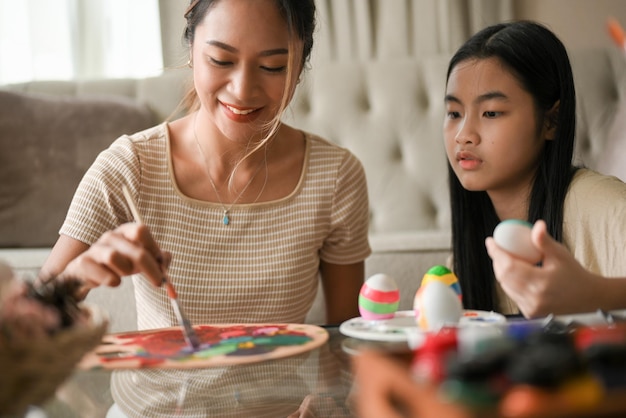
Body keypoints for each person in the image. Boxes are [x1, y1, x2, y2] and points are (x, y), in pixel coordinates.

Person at [40, 1, 369, 416]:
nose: (243, 89)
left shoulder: (336, 175)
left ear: (300, 64)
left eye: (273, 67)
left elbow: (344, 335)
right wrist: (78, 275)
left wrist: (329, 399)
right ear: (192, 48)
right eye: (221, 59)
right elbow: (29, 324)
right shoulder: (129, 166)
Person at [444, 20, 626, 318]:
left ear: (551, 121)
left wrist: (593, 294)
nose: (463, 135)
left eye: (491, 112)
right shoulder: (464, 258)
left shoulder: (608, 206)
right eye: (454, 113)